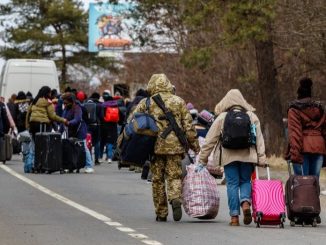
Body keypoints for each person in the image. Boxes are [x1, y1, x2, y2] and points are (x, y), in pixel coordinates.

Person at [133, 74, 200, 222]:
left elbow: (134, 122)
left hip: (154, 146)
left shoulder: (146, 102)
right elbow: (189, 126)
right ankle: (175, 198)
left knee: (157, 179)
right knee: (174, 176)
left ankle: (161, 212)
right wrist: (195, 146)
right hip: (175, 146)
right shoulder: (179, 101)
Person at [198, 89, 267, 226]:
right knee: (245, 181)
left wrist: (202, 160)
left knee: (232, 184)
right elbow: (259, 139)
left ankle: (234, 217)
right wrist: (262, 158)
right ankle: (246, 203)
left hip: (229, 156)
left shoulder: (222, 117)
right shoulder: (252, 116)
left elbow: (210, 140)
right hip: (247, 155)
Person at [286, 78, 325, 178]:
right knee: (314, 182)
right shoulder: (319, 108)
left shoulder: (294, 110)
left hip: (302, 148)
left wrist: (295, 155)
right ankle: (314, 194)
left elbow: (295, 133)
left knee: (302, 183)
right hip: (319, 147)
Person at [25, 86, 67, 173]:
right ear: (48, 93)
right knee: (42, 147)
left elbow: (28, 114)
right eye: (50, 92)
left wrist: (27, 126)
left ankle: (29, 166)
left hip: (33, 125)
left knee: (33, 145)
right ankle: (40, 165)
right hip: (42, 125)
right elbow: (52, 116)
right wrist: (63, 120)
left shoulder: (34, 101)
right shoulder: (48, 102)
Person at [61, 93, 94, 173]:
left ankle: (89, 166)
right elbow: (63, 120)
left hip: (80, 131)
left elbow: (77, 119)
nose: (64, 104)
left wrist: (69, 123)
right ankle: (71, 166)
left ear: (71, 101)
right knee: (71, 148)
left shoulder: (77, 108)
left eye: (66, 103)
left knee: (84, 147)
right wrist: (60, 130)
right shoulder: (66, 109)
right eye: (64, 103)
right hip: (71, 131)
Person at [100, 90, 119, 164]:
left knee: (102, 141)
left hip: (104, 125)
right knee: (110, 142)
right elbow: (120, 116)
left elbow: (101, 116)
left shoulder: (103, 105)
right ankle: (109, 158)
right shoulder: (115, 105)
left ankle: (100, 157)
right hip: (113, 126)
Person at [86, 92, 103, 165]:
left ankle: (89, 158)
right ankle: (96, 159)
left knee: (88, 141)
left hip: (87, 125)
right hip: (96, 125)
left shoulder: (85, 104)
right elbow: (102, 116)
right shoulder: (100, 105)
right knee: (97, 142)